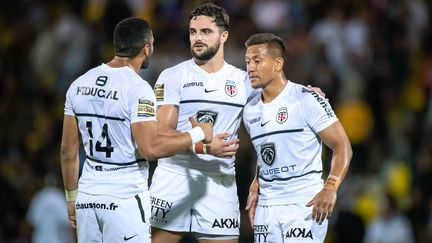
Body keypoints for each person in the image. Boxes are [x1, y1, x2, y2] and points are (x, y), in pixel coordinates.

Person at [150, 4, 324, 242]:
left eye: (205, 32)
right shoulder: (173, 76)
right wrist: (204, 147)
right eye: (193, 32)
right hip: (174, 176)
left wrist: (309, 93)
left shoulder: (243, 82)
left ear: (224, 36)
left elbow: (280, 98)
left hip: (220, 181)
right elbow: (161, 135)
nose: (197, 38)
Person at [60, 17, 212, 243]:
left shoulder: (79, 84)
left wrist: (72, 198)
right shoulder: (138, 89)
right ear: (146, 47)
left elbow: (67, 150)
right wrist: (199, 134)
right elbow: (150, 148)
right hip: (124, 198)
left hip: (88, 198)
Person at [243, 33, 352, 243]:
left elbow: (342, 146)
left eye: (257, 61)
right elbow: (267, 152)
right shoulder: (250, 110)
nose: (250, 67)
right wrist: (256, 184)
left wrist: (330, 187)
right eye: (247, 62)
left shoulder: (306, 99)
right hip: (267, 207)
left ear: (278, 63)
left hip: (303, 203)